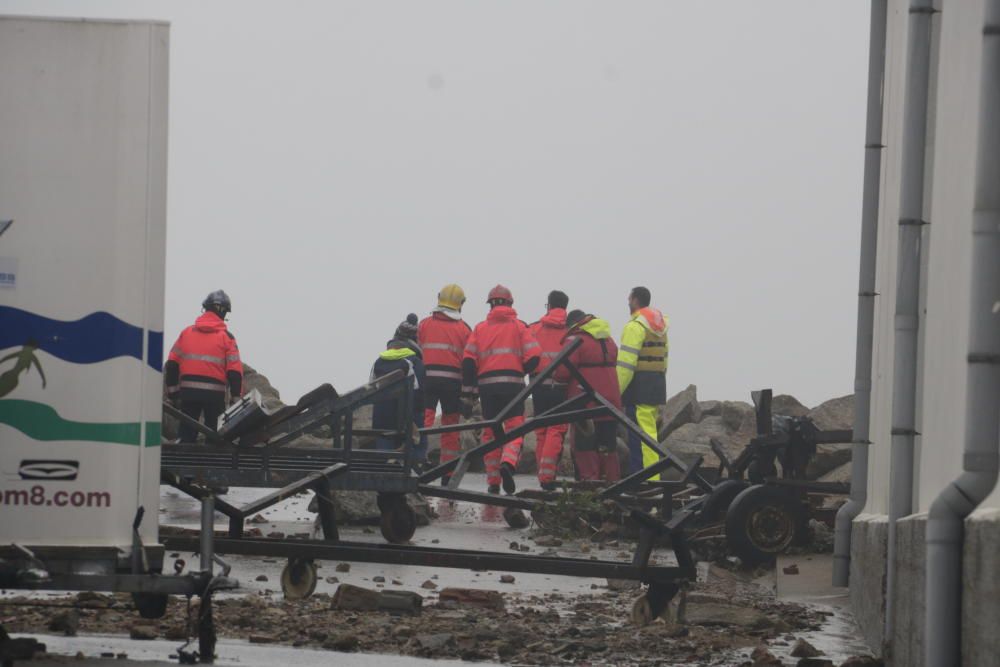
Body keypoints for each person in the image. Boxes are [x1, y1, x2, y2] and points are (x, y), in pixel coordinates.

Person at [462, 285, 541, 494]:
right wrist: (521, 371)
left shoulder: (480, 328)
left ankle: (493, 481)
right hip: (513, 386)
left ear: (490, 305)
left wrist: (470, 392)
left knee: (490, 432)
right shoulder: (519, 327)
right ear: (510, 303)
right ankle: (508, 462)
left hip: (487, 387)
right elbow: (534, 356)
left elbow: (468, 361)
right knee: (515, 428)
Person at [165, 290, 243, 442]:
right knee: (214, 436)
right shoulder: (227, 338)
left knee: (186, 433)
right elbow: (234, 373)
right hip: (215, 397)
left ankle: (183, 459)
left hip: (188, 394)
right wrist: (235, 399)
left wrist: (174, 395)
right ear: (223, 312)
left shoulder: (186, 333)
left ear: (205, 308)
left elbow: (172, 365)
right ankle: (211, 462)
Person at [418, 284, 472, 484]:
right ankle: (447, 473)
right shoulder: (464, 329)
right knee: (450, 428)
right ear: (460, 304)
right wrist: (469, 393)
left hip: (428, 381)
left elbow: (418, 351)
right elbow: (469, 362)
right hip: (452, 384)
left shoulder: (424, 324)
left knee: (424, 422)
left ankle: (417, 461)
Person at [562, 310, 622, 482]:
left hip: (585, 401)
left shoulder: (575, 340)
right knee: (608, 446)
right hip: (610, 402)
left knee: (585, 447)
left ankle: (589, 486)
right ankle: (612, 483)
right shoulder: (608, 340)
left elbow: (562, 371)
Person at [616, 286, 669, 479]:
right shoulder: (660, 329)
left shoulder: (635, 327)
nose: (627, 302)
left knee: (640, 436)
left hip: (638, 388)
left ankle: (647, 479)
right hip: (656, 384)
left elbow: (626, 364)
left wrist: (616, 392)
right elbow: (665, 358)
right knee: (650, 433)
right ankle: (651, 477)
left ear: (635, 300)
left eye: (629, 299)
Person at [370, 314, 428, 465]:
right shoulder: (414, 362)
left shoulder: (379, 361)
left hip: (382, 415)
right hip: (406, 417)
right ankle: (417, 464)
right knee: (420, 432)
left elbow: (370, 389)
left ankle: (384, 467)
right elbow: (419, 393)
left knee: (384, 438)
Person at [528, 290, 570, 490]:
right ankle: (548, 476)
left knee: (541, 432)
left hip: (538, 386)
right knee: (557, 429)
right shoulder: (571, 330)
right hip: (562, 388)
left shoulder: (534, 328)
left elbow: (526, 356)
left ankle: (542, 475)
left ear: (549, 305)